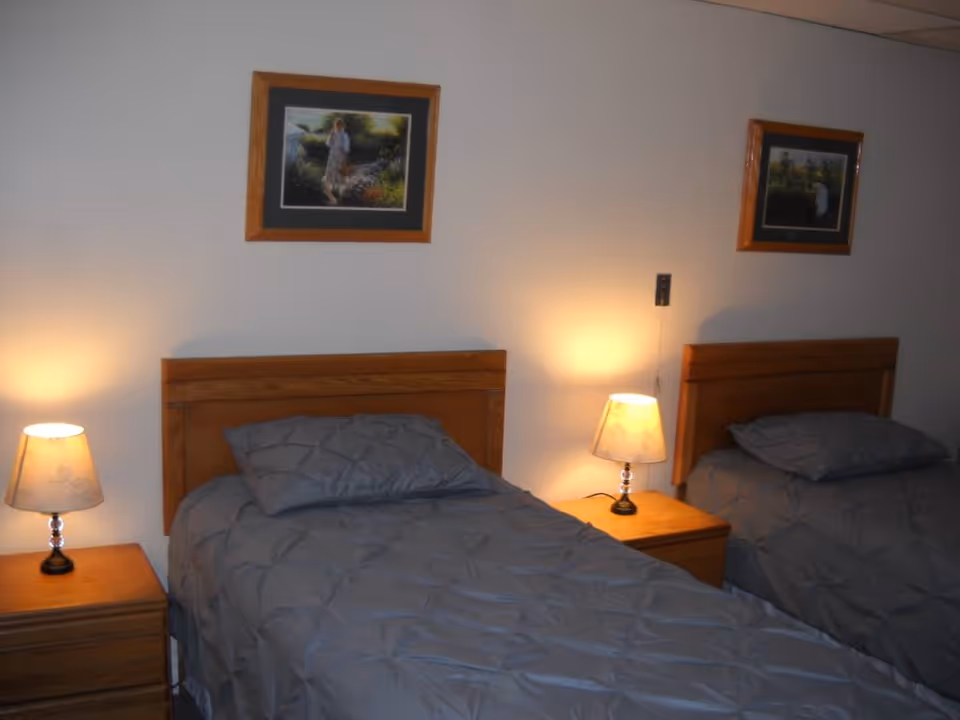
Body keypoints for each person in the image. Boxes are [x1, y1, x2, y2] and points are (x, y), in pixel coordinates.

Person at [322, 118, 351, 205]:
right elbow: (328, 144)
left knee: (340, 175)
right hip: (333, 156)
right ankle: (334, 199)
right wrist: (331, 136)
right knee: (330, 174)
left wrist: (344, 158)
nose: (338, 127)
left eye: (339, 125)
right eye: (337, 125)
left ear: (342, 126)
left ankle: (338, 198)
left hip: (339, 156)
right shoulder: (333, 134)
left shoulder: (344, 135)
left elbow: (346, 149)